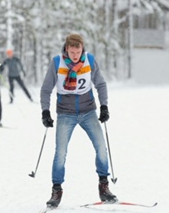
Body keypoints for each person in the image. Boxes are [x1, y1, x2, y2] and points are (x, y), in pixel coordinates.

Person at [40, 33, 117, 208]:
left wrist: (104, 106)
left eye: (78, 51)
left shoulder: (89, 60)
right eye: (72, 52)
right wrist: (45, 111)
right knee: (60, 153)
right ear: (66, 49)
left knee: (101, 148)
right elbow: (46, 89)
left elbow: (101, 84)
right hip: (65, 113)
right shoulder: (57, 62)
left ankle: (104, 186)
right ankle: (56, 190)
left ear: (82, 49)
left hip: (88, 111)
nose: (75, 55)